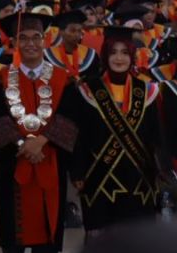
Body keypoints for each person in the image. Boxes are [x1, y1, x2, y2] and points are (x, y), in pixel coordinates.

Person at [0, 9, 80, 253]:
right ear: (14, 42)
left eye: (35, 37)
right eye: (23, 38)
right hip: (12, 167)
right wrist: (23, 144)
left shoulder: (64, 80)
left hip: (51, 163)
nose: (30, 43)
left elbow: (72, 118)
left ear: (45, 40)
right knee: (13, 241)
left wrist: (42, 141)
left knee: (47, 247)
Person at [70, 26, 164, 234]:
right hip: (99, 177)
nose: (119, 58)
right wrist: (77, 171)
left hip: (138, 178)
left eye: (124, 53)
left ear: (132, 56)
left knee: (138, 240)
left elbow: (155, 135)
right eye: (113, 52)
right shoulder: (88, 90)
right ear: (105, 56)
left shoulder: (147, 90)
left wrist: (161, 169)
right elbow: (79, 136)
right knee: (102, 242)